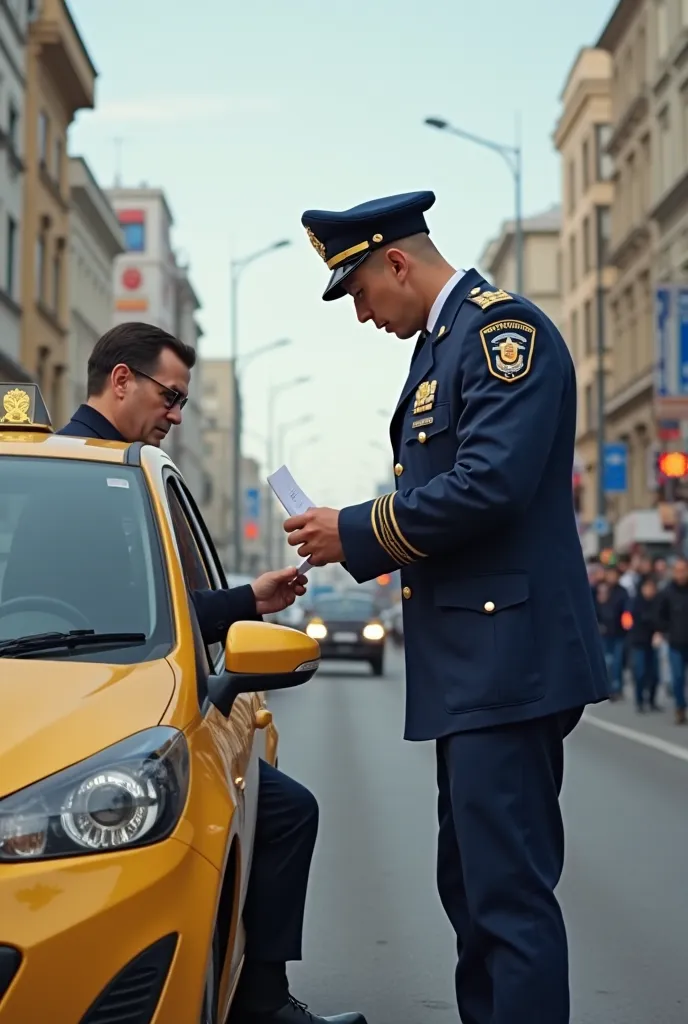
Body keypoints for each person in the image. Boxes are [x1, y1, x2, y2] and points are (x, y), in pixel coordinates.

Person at [284, 191, 609, 1024]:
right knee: (470, 889)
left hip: (511, 660)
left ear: (397, 261)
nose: (362, 316)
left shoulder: (504, 334)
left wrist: (353, 531)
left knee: (507, 900)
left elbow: (490, 485)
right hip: (474, 666)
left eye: (359, 294)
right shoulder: (443, 345)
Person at [58, 323, 365, 1024]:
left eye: (185, 402)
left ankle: (258, 997)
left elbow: (159, 607)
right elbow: (112, 614)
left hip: (129, 695)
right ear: (122, 380)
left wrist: (251, 600)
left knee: (286, 811)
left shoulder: (126, 471)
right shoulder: (95, 476)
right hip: (103, 705)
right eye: (170, 397)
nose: (176, 414)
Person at [655, 556, 688, 726]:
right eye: (678, 571)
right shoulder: (667, 592)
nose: (681, 574)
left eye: (684, 570)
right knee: (677, 678)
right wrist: (664, 631)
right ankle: (680, 708)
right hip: (675, 642)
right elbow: (660, 615)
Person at [627, 576, 661, 712]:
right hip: (638, 642)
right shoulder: (636, 603)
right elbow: (629, 621)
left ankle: (652, 701)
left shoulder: (658, 603)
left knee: (654, 675)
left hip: (653, 642)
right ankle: (640, 701)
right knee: (640, 673)